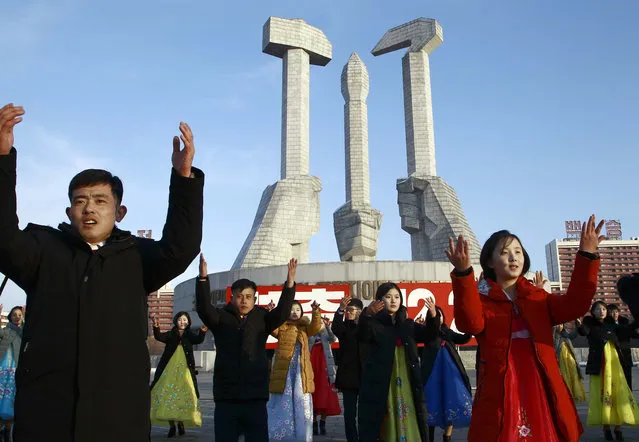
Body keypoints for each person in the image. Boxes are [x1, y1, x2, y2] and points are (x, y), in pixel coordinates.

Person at [0, 103, 204, 441]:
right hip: (47, 418)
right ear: (69, 211)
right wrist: (3, 159)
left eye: (100, 200)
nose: (89, 208)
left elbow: (181, 247)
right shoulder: (43, 252)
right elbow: (4, 237)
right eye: (80, 201)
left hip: (118, 419)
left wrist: (183, 180)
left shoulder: (136, 258)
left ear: (119, 212)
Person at [446, 215, 603, 442]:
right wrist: (462, 274)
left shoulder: (538, 297)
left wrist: (587, 256)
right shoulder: (482, 300)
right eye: (505, 252)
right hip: (501, 389)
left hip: (541, 385)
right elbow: (469, 323)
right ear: (490, 262)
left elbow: (576, 304)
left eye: (518, 252)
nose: (513, 258)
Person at [195, 254, 297, 441]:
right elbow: (203, 308)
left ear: (254, 299)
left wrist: (289, 285)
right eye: (239, 296)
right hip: (227, 397)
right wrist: (202, 279)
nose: (244, 301)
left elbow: (282, 312)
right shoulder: (220, 317)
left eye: (248, 297)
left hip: (255, 396)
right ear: (232, 297)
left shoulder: (263, 317)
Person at [357, 282, 440, 442]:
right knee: (384, 417)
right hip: (383, 382)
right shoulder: (374, 324)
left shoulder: (408, 324)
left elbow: (429, 335)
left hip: (407, 380)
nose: (393, 300)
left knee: (409, 411)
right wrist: (367, 315)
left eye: (396, 297)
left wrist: (433, 316)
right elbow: (362, 336)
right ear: (379, 300)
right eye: (388, 297)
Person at [579, 301, 639, 440]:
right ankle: (606, 428)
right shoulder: (590, 325)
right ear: (592, 312)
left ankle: (618, 429)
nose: (601, 311)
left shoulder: (612, 325)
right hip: (599, 364)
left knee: (617, 394)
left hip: (615, 364)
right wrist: (578, 323)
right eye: (598, 309)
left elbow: (627, 329)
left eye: (604, 309)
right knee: (602, 395)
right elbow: (583, 332)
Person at [267, 300, 322, 441]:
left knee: (301, 403)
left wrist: (316, 312)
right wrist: (271, 313)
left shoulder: (305, 327)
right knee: (283, 403)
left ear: (302, 312)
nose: (295, 312)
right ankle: (283, 436)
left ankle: (302, 436)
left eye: (298, 309)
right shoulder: (282, 326)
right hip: (284, 372)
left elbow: (316, 327)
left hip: (300, 371)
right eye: (291, 309)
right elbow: (270, 328)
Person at [419, 306, 472, 442]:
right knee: (430, 406)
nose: (438, 317)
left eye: (440, 315)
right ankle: (428, 437)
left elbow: (464, 339)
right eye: (435, 315)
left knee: (450, 405)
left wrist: (470, 327)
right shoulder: (427, 333)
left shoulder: (448, 332)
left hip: (449, 377)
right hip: (431, 376)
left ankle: (446, 437)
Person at [150, 311, 207, 437]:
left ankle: (181, 423)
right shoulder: (171, 334)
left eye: (185, 320)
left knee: (184, 396)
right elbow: (159, 336)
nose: (182, 322)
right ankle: (172, 427)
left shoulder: (189, 335)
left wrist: (203, 330)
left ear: (188, 322)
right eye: (180, 319)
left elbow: (198, 339)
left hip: (185, 371)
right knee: (169, 397)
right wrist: (156, 325)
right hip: (169, 370)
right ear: (176, 321)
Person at [332, 296, 364, 442]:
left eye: (352, 310)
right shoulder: (344, 328)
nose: (349, 313)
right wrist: (340, 310)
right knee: (350, 414)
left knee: (365, 413)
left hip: (366, 377)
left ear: (360, 312)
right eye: (347, 310)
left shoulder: (366, 326)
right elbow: (335, 327)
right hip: (349, 378)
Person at [309, 315, 341, 435]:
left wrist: (328, 327)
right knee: (313, 396)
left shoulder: (326, 334)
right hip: (312, 367)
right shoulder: (309, 334)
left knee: (324, 396)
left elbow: (333, 339)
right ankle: (314, 423)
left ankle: (323, 423)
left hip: (325, 368)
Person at [0, 306, 23, 441]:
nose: (17, 317)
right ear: (9, 317)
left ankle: (8, 430)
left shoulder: (24, 333)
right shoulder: (6, 331)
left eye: (19, 314)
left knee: (11, 398)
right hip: (3, 369)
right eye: (14, 314)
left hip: (16, 370)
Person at [553, 321, 586, 403]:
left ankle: (575, 395)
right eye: (557, 325)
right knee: (564, 376)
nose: (559, 326)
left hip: (570, 358)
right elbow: (554, 342)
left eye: (560, 324)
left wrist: (577, 325)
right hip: (560, 359)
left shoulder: (566, 334)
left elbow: (573, 335)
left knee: (573, 375)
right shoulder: (554, 336)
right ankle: (565, 395)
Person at [607, 303, 635, 390]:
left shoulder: (624, 321)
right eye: (611, 312)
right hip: (612, 355)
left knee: (627, 379)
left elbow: (630, 333)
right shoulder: (606, 324)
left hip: (625, 354)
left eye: (616, 312)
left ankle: (629, 400)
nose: (614, 314)